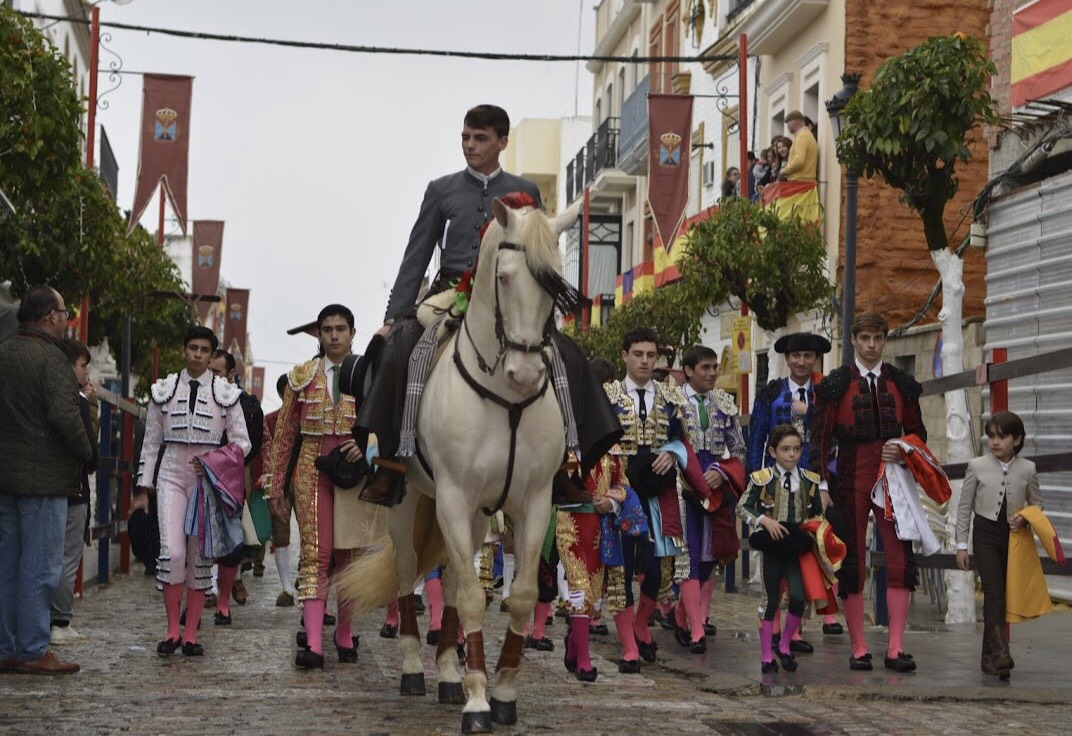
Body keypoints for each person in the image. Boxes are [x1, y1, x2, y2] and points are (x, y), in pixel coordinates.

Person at [357, 104, 543, 506]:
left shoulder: (527, 190)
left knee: (563, 355)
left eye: (480, 138)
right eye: (465, 137)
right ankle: (390, 464)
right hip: (450, 293)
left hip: (512, 297)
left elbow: (539, 254)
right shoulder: (440, 190)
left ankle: (563, 463)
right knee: (399, 348)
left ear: (502, 142)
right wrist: (392, 317)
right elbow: (416, 257)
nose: (469, 145)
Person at [266, 303, 383, 670]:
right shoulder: (301, 376)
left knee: (349, 555)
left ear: (352, 333)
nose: (334, 335)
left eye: (340, 328)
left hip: (354, 469)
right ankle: (314, 644)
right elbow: (284, 436)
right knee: (316, 553)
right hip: (312, 468)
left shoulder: (368, 373)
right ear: (319, 334)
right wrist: (275, 488)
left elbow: (384, 426)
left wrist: (366, 447)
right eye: (327, 329)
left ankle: (344, 633)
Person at [810, 311, 926, 672]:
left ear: (885, 341)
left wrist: (904, 451)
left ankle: (895, 647)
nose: (872, 345)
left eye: (878, 339)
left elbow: (919, 435)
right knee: (853, 558)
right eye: (865, 339)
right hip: (850, 475)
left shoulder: (901, 383)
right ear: (855, 341)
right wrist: (823, 486)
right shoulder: (837, 383)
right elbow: (820, 439)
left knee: (899, 558)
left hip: (892, 476)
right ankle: (859, 646)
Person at [136, 325, 251, 658]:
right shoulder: (165, 389)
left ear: (212, 354)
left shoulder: (226, 393)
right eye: (193, 348)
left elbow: (243, 442)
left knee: (199, 557)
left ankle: (190, 634)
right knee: (172, 553)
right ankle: (172, 630)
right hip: (172, 471)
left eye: (204, 350)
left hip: (205, 477)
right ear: (184, 350)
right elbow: (151, 444)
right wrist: (144, 486)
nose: (198, 354)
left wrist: (215, 461)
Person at [0, 286, 93, 675]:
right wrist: (88, 454)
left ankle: (5, 647)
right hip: (45, 479)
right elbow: (64, 417)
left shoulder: (3, 352)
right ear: (48, 317)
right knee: (40, 567)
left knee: (7, 565)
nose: (65, 318)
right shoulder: (52, 358)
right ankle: (34, 647)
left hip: (6, 476)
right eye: (62, 311)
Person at [747, 331, 842, 638]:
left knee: (820, 544)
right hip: (777, 481)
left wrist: (827, 482)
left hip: (817, 479)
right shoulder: (771, 393)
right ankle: (782, 626)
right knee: (780, 549)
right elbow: (757, 439)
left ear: (816, 359)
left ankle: (825, 613)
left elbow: (838, 435)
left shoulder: (827, 392)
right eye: (796, 356)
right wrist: (757, 480)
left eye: (808, 356)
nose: (802, 362)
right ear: (786, 359)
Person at [955, 411, 1042, 679]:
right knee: (993, 592)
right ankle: (1002, 651)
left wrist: (1025, 520)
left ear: (1016, 440)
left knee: (1003, 595)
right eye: (991, 436)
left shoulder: (1028, 468)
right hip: (985, 535)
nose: (994, 442)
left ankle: (989, 660)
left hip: (1013, 538)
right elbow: (964, 507)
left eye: (1002, 437)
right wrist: (961, 545)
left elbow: (1037, 503)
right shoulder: (977, 465)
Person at [675, 345, 746, 652]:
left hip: (715, 488)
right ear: (688, 371)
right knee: (688, 556)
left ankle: (683, 617)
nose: (712, 373)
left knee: (709, 556)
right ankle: (696, 630)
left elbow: (740, 450)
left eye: (714, 367)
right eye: (705, 367)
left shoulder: (725, 404)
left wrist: (721, 470)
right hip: (682, 487)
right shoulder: (672, 403)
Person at [738, 424, 822, 673]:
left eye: (796, 449)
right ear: (773, 452)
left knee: (798, 598)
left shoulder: (809, 480)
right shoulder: (761, 478)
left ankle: (784, 644)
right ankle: (766, 655)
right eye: (786, 449)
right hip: (772, 548)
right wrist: (764, 521)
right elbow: (742, 507)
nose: (792, 454)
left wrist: (811, 530)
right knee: (770, 599)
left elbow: (817, 513)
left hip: (796, 548)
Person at [206, 349, 264, 626]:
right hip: (199, 471)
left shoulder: (245, 403)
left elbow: (251, 442)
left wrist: (229, 462)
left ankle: (228, 589)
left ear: (230, 374)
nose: (210, 375)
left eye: (216, 371)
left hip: (233, 471)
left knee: (232, 530)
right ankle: (206, 587)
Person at [50, 338, 100, 646]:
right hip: (74, 488)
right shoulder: (78, 401)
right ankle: (61, 620)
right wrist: (91, 406)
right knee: (67, 558)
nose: (86, 373)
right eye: (83, 366)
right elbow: (91, 453)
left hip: (47, 487)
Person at [258, 374, 298, 607]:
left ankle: (307, 583)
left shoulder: (308, 419)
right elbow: (266, 453)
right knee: (280, 534)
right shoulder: (270, 420)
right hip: (279, 484)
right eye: (287, 391)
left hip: (305, 480)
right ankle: (286, 587)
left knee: (311, 533)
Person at [780, 110, 818, 182]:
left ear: (792, 122)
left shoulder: (802, 136)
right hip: (805, 183)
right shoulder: (807, 135)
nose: (787, 127)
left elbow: (799, 161)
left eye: (788, 123)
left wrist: (784, 170)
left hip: (801, 184)